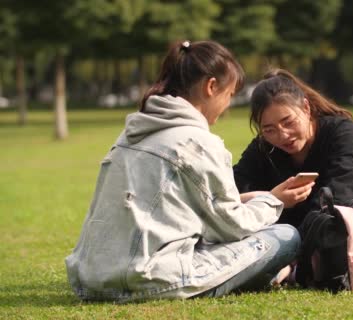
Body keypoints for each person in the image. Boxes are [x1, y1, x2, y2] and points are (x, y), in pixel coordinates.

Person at [65, 41, 315, 302]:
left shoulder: (128, 136)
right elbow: (231, 227)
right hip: (148, 281)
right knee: (285, 236)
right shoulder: (197, 142)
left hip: (91, 281)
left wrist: (246, 200)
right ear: (211, 87)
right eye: (229, 94)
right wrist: (273, 201)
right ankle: (265, 275)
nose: (227, 105)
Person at [233, 69, 353, 272]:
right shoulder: (263, 148)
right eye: (269, 129)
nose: (282, 135)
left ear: (306, 108)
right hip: (300, 245)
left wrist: (292, 245)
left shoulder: (342, 133)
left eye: (288, 122)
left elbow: (336, 199)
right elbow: (228, 190)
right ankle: (307, 268)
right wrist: (270, 198)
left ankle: (303, 267)